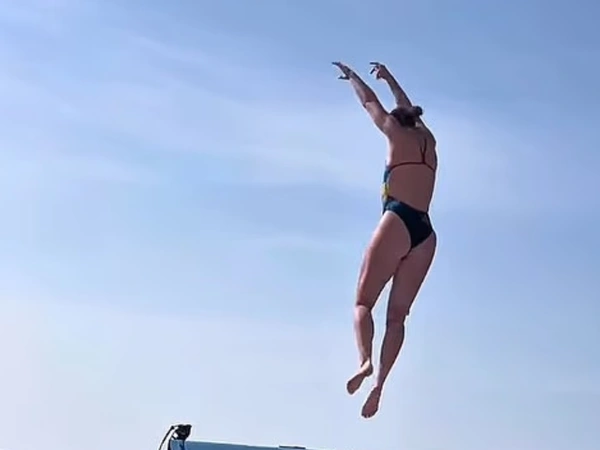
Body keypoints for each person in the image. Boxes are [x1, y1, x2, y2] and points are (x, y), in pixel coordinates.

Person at [332, 61, 438, 418]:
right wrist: (391, 77)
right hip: (425, 234)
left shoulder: (395, 133)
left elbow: (369, 103)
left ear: (397, 121)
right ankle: (380, 385)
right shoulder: (428, 140)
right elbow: (405, 104)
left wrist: (354, 78)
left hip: (398, 219)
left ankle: (364, 361)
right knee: (397, 317)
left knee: (363, 303)